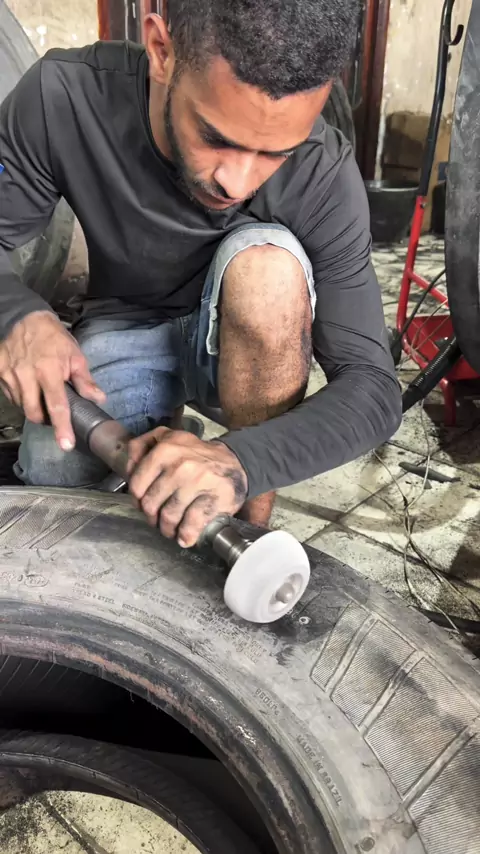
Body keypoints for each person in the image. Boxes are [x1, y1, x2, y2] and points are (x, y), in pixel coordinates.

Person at [0, 0, 401, 548]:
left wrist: (241, 462)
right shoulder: (63, 97)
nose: (238, 182)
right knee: (56, 484)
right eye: (217, 137)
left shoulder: (323, 171)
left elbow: (374, 388)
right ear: (162, 51)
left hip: (255, 337)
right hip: (128, 322)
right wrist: (16, 315)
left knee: (268, 270)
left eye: (275, 153)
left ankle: (248, 532)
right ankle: (170, 436)